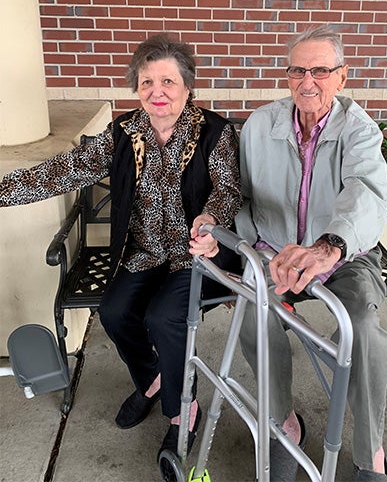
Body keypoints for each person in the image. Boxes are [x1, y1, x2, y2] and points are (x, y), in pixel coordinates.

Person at [0, 33, 242, 463]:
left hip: (195, 255)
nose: (157, 92)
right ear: (136, 88)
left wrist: (210, 221)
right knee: (113, 312)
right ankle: (151, 379)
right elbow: (60, 173)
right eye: (146, 82)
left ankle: (182, 411)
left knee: (164, 317)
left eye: (168, 81)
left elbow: (226, 189)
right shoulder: (124, 134)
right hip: (143, 251)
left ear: (188, 86)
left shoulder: (215, 132)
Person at [236, 25, 387, 482]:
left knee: (362, 328)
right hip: (275, 251)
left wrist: (329, 247)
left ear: (342, 77)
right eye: (298, 70)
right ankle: (284, 422)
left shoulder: (359, 131)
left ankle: (369, 452)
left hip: (344, 252)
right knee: (254, 314)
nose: (309, 81)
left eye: (321, 70)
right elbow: (239, 195)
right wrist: (249, 251)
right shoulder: (260, 125)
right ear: (287, 77)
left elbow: (365, 192)